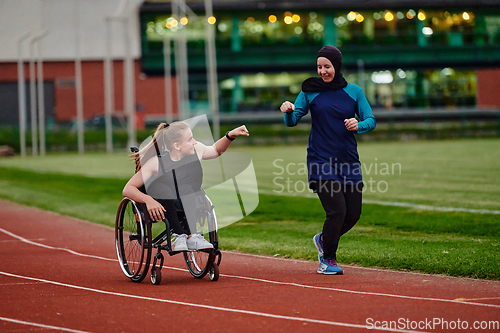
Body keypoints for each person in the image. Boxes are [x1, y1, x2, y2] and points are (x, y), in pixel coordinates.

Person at [280, 45, 376, 275]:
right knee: (337, 211)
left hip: (348, 160)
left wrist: (358, 125)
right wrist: (288, 110)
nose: (322, 71)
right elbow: (292, 121)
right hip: (320, 159)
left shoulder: (354, 91)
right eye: (319, 67)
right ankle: (328, 259)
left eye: (327, 66)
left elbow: (370, 120)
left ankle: (323, 239)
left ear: (337, 66)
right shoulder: (309, 90)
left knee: (353, 214)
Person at [123, 121, 249, 252]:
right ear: (177, 146)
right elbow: (128, 189)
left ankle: (192, 235)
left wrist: (231, 135)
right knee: (166, 190)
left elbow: (216, 150)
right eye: (190, 139)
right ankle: (179, 235)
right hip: (158, 196)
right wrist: (148, 200)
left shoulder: (197, 150)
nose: (194, 142)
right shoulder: (156, 163)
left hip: (182, 196)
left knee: (187, 189)